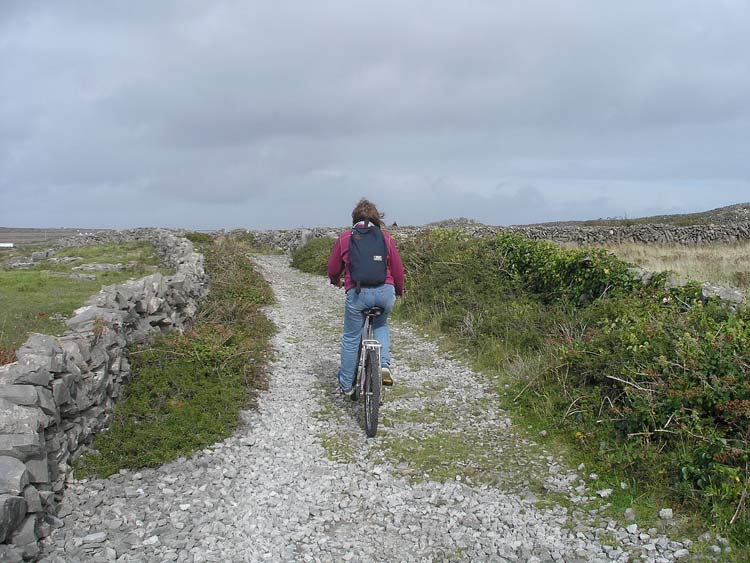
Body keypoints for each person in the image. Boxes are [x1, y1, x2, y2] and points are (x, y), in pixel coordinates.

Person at [327, 198, 405, 396]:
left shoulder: (345, 238)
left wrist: (336, 281)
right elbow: (397, 270)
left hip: (358, 293)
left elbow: (333, 268)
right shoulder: (385, 238)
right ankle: (384, 366)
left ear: (354, 218)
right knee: (380, 325)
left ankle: (346, 385)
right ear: (377, 218)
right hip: (384, 292)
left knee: (351, 337)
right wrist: (398, 290)